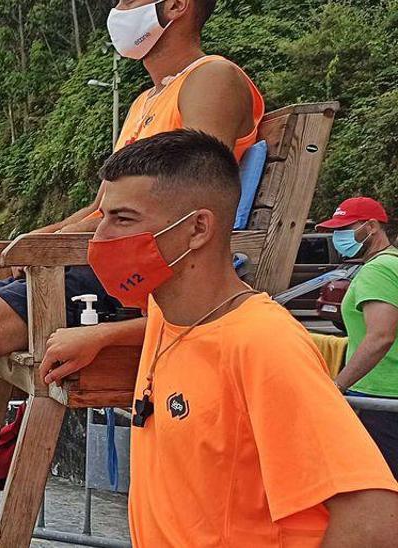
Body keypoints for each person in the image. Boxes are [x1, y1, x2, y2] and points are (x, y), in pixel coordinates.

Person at [0, 0, 267, 502]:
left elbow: (196, 197)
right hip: (89, 269)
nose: (117, 9)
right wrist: (35, 243)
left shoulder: (211, 78)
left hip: (126, 283)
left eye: (128, 0)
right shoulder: (143, 103)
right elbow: (101, 209)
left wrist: (63, 252)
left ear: (176, 6)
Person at [42, 130, 398, 545]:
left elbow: (374, 519)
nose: (99, 238)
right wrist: (103, 336)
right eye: (101, 218)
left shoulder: (263, 345)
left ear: (197, 229)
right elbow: (194, 334)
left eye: (123, 219)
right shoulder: (169, 310)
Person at [318, 196, 398, 477]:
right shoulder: (393, 263)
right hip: (387, 396)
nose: (338, 237)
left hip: (378, 396)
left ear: (372, 226)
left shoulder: (376, 270)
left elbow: (381, 336)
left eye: (345, 228)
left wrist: (337, 386)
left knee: (379, 485)